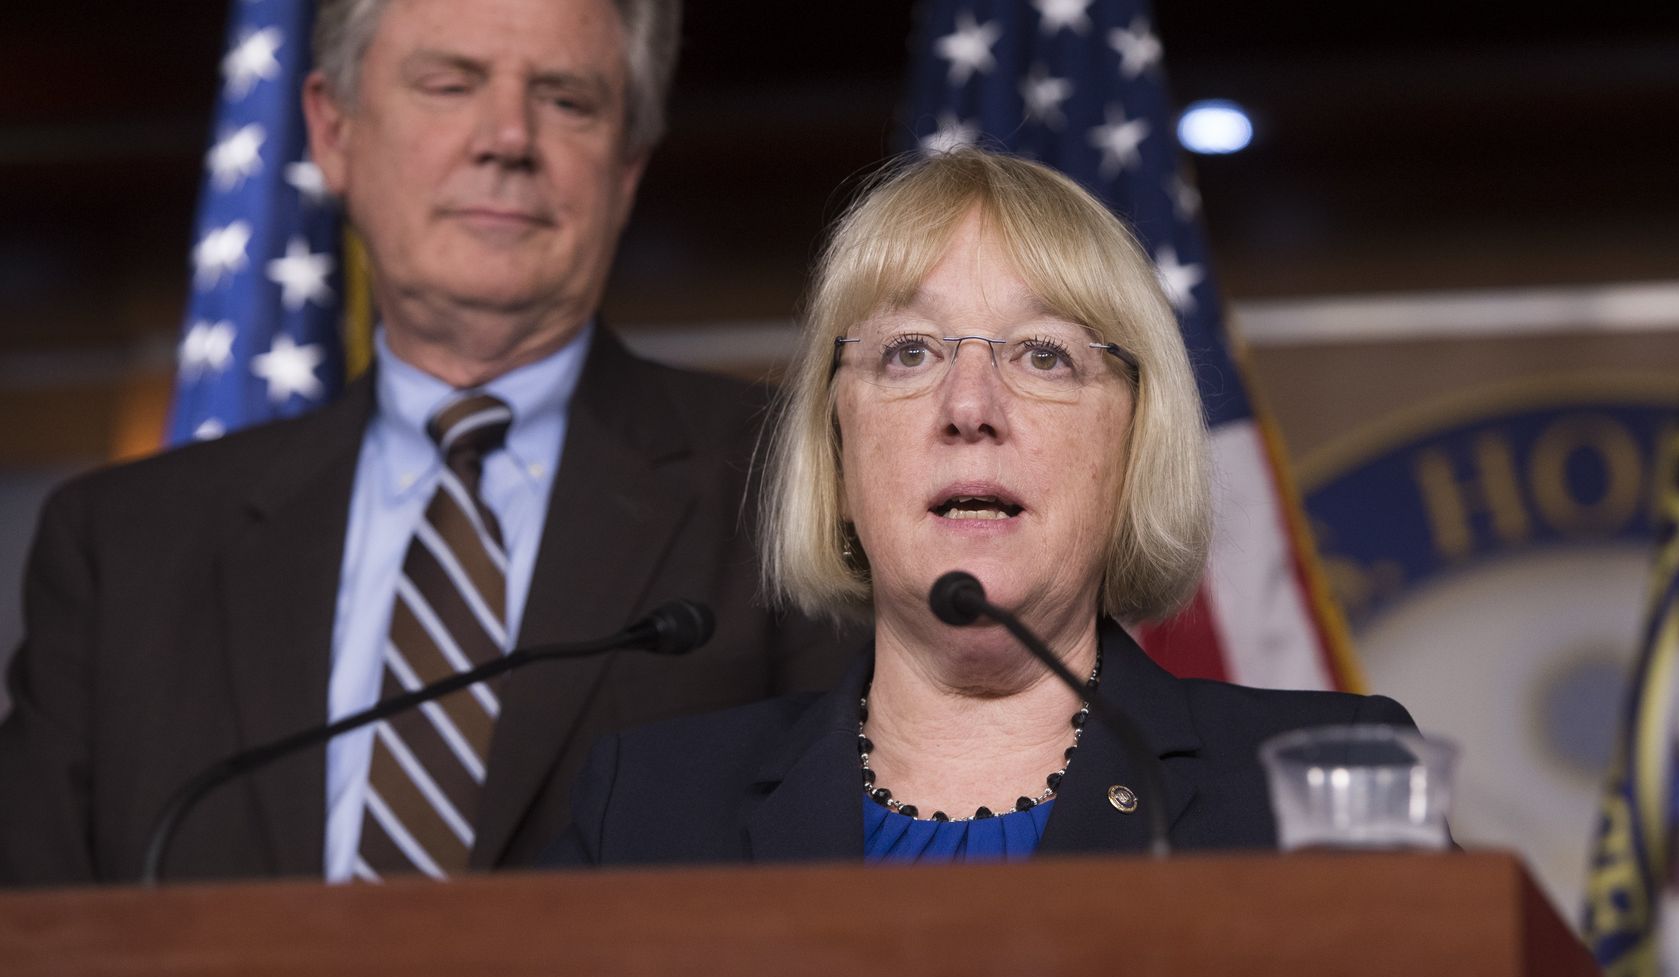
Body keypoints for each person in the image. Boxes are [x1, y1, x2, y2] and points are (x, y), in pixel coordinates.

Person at [0, 0, 847, 886]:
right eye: (449, 84)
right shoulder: (123, 548)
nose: (508, 138)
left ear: (628, 165)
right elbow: (34, 952)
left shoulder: (792, 481)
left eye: (567, 100)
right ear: (333, 131)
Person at [546, 148, 1415, 866]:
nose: (970, 405)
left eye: (1043, 355)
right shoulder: (648, 811)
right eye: (909, 352)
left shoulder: (1325, 790)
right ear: (841, 456)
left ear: (1131, 448)